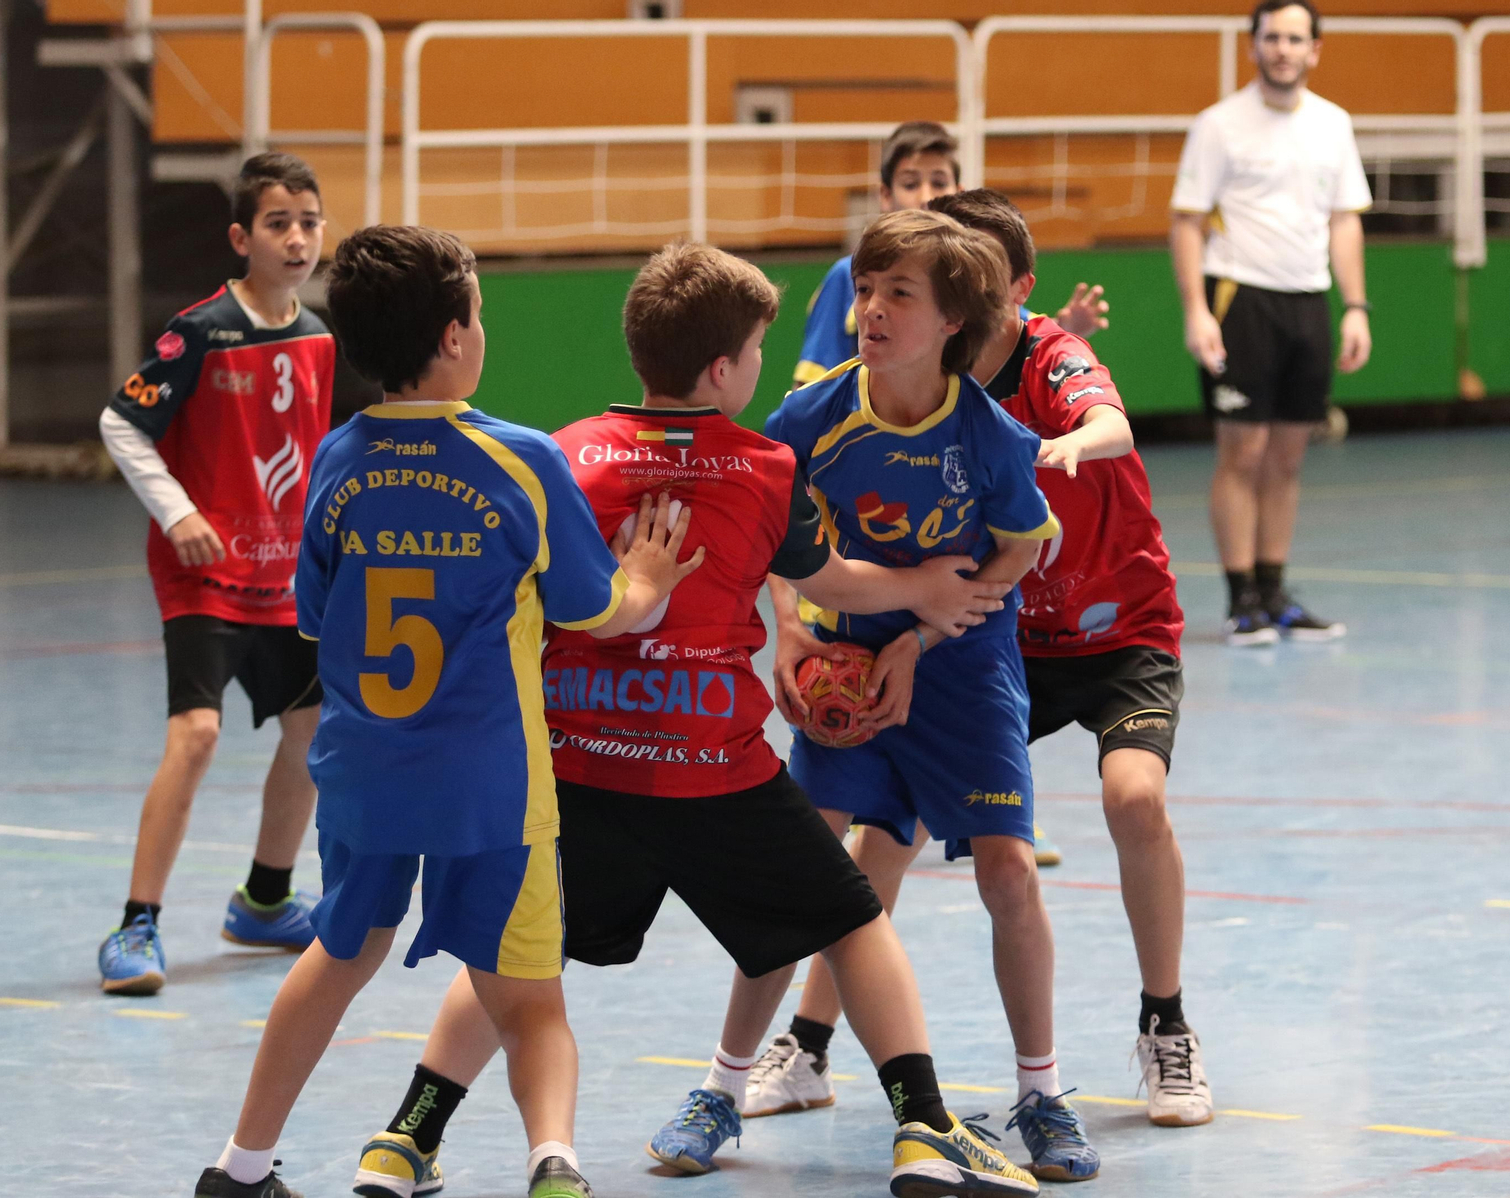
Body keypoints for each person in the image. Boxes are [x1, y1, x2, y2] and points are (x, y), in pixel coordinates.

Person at [352, 241, 1040, 1198]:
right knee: (852, 922)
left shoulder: (567, 454)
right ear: (724, 370)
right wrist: (923, 585)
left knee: (509, 954)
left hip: (579, 763)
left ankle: (404, 1138)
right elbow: (826, 578)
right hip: (711, 768)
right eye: (757, 350)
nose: (762, 367)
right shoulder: (761, 466)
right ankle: (925, 1129)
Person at [192, 225, 703, 1198]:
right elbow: (597, 609)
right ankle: (552, 1164)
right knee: (530, 1000)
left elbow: (310, 612)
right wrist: (648, 575)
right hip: (489, 787)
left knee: (339, 952)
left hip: (362, 776)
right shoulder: (515, 461)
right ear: (458, 336)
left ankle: (240, 1163)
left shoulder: (337, 462)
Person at [750, 189, 1212, 1136]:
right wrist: (900, 637)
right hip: (990, 632)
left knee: (1134, 798)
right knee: (883, 835)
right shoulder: (904, 391)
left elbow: (1111, 421)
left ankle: (1165, 1024)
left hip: (1112, 627)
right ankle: (807, 1044)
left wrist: (1061, 447)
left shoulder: (1044, 364)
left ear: (1007, 297)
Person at [765, 208, 1100, 1182]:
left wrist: (916, 637)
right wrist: (789, 624)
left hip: (963, 663)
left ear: (955, 319)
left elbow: (1026, 544)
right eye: (865, 289)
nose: (869, 307)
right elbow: (777, 534)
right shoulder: (813, 415)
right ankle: (737, 1074)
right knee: (806, 868)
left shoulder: (988, 434)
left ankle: (1039, 1091)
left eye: (897, 294)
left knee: (1007, 870)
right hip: (842, 660)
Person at [96, 152, 336, 995]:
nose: (297, 237)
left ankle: (265, 900)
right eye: (278, 223)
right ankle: (136, 926)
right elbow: (121, 424)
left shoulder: (321, 339)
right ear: (242, 237)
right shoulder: (198, 332)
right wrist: (179, 512)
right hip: (206, 576)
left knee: (311, 740)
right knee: (195, 736)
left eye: (309, 222)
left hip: (289, 582)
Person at [1170, 0, 1372, 645]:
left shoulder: (1334, 125)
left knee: (1287, 455)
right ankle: (1241, 601)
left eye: (1296, 38)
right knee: (1243, 451)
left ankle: (1276, 593)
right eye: (1272, 38)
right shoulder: (1219, 125)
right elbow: (1187, 221)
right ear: (1253, 46)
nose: (1283, 49)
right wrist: (1197, 310)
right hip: (1240, 299)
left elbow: (1345, 218)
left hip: (1307, 301)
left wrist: (1355, 307)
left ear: (1315, 49)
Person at [796, 121, 1110, 388]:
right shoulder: (846, 274)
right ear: (886, 196)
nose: (926, 195)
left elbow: (1010, 337)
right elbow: (811, 383)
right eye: (910, 183)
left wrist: (1061, 330)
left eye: (938, 182)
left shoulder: (972, 269)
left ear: (958, 191)